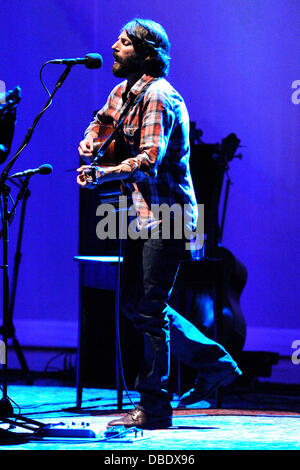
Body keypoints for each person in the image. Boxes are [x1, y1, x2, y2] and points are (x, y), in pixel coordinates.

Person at [77, 18, 241, 430]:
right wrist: (89, 146)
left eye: (124, 42)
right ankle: (215, 363)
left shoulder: (159, 97)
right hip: (136, 213)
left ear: (148, 55)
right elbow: (98, 127)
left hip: (168, 215)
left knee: (148, 309)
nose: (114, 47)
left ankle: (154, 407)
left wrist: (102, 173)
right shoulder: (123, 92)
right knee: (137, 305)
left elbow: (149, 160)